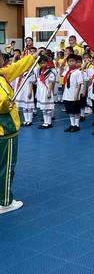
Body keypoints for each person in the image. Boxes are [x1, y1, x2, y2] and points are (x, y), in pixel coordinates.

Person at [0, 50, 37, 214]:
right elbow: (2, 101)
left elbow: (16, 67)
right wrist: (7, 103)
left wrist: (32, 58)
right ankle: (5, 201)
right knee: (6, 167)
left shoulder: (2, 73)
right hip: (4, 130)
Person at [62, 54, 84, 133]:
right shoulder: (67, 71)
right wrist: (63, 62)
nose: (71, 63)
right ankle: (72, 124)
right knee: (70, 111)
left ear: (76, 62)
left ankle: (77, 125)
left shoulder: (78, 72)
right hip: (67, 94)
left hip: (74, 95)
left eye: (73, 61)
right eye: (69, 61)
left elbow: (79, 83)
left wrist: (77, 94)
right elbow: (61, 74)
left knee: (76, 111)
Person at [36, 56, 56, 129]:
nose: (42, 64)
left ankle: (49, 122)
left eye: (44, 63)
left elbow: (51, 83)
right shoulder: (39, 71)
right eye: (40, 63)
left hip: (46, 90)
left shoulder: (50, 72)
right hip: (40, 91)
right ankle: (45, 122)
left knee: (48, 108)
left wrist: (49, 92)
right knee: (43, 108)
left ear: (47, 63)